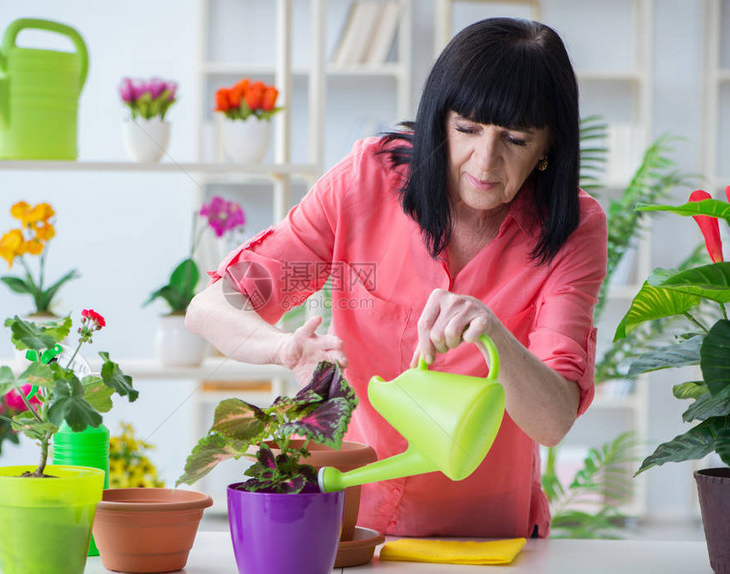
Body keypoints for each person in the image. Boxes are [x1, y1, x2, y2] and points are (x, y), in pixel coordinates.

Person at [186, 17, 607, 539]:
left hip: (485, 540)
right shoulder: (364, 181)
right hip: (349, 524)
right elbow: (210, 307)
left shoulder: (573, 229)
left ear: (549, 147)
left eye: (515, 139)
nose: (485, 160)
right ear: (439, 119)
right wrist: (280, 349)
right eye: (467, 129)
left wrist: (494, 334)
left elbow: (552, 420)